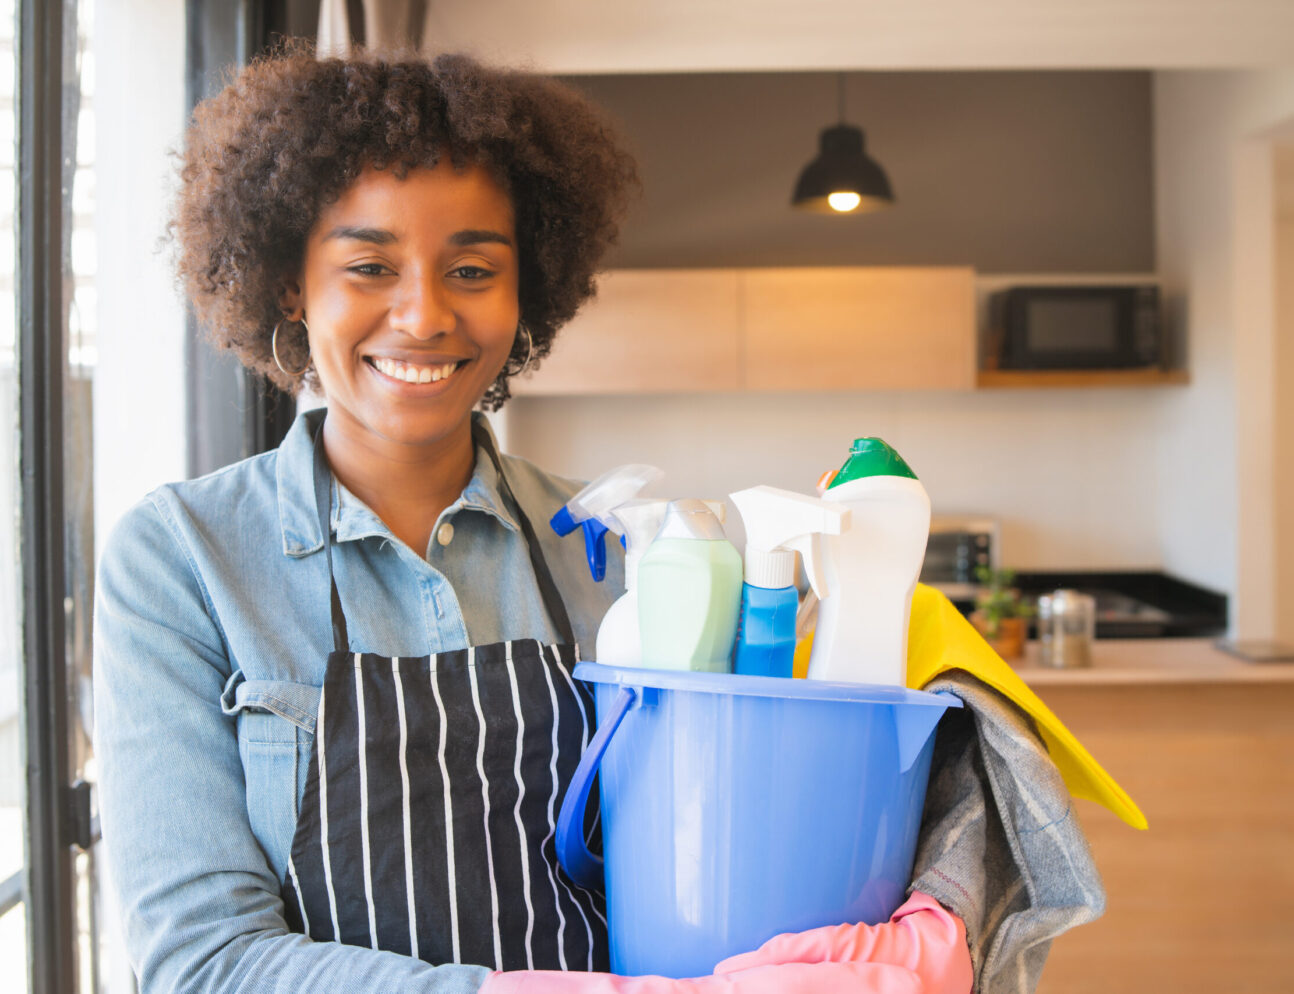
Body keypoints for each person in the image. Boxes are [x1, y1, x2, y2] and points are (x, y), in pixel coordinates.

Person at [93, 45, 972, 993]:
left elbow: (752, 816)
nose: (424, 314)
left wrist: (939, 896)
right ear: (287, 285)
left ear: (528, 290)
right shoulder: (183, 558)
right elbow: (201, 960)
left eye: (472, 268)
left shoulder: (625, 548)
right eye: (368, 266)